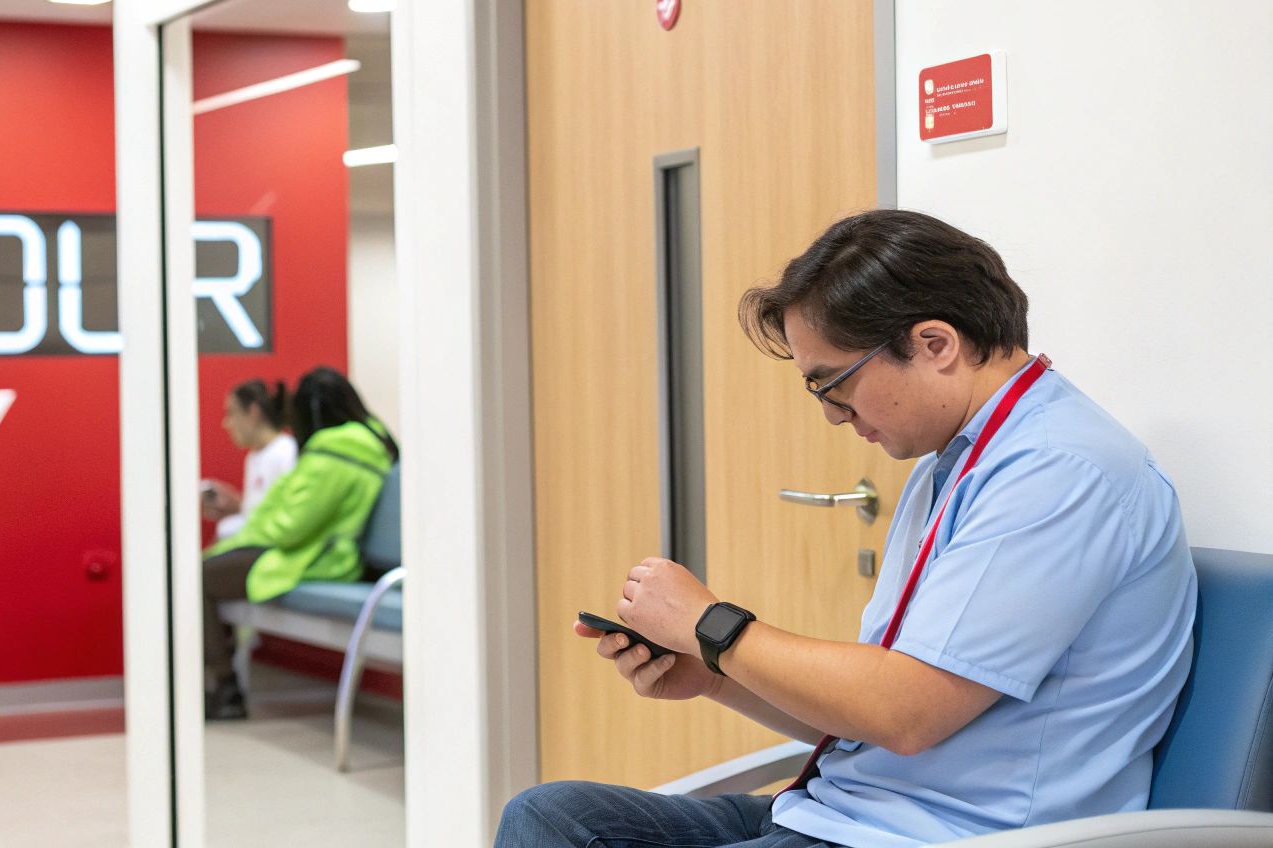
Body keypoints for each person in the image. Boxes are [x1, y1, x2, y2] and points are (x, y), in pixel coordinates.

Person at [497, 210, 1196, 848]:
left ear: (934, 344)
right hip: (852, 809)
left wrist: (714, 627)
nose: (833, 414)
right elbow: (873, 718)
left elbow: (904, 713)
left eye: (835, 384)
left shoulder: (1063, 472)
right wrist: (712, 676)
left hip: (944, 834)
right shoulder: (951, 466)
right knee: (551, 817)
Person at [201, 366, 399, 721]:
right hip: (320, 552)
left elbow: (291, 525)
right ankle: (221, 681)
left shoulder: (332, 453)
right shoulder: (367, 447)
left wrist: (239, 539)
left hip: (315, 557)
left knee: (197, 577)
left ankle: (223, 684)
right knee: (206, 570)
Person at [200, 379, 299, 541]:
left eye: (231, 413)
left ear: (253, 412)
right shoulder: (254, 457)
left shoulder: (286, 452)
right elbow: (255, 515)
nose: (227, 424)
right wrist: (235, 505)